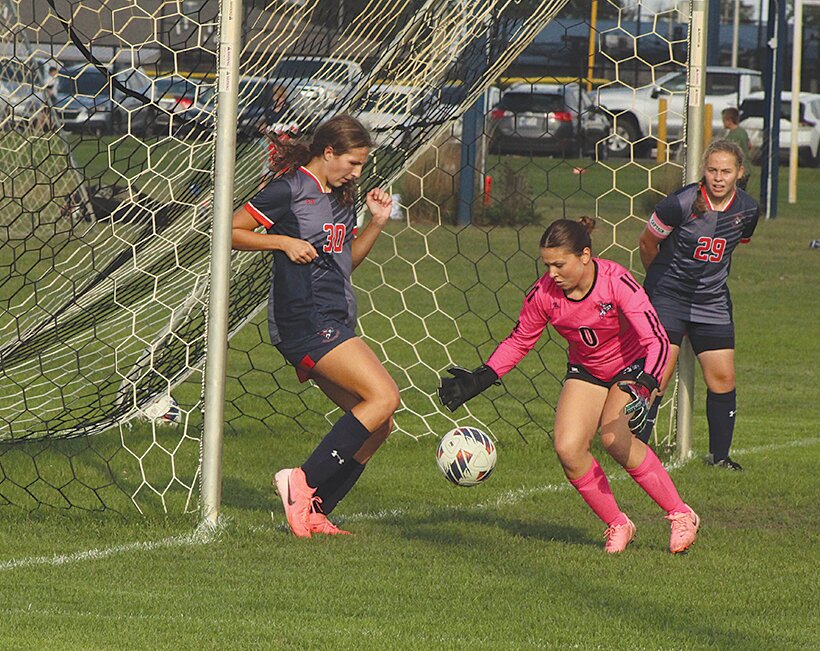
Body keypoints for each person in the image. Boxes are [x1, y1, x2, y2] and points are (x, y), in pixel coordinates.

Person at [439, 217, 700, 555]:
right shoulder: (544, 294)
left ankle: (681, 515)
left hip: (633, 365)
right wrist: (482, 377)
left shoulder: (616, 280)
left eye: (559, 264)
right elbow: (520, 341)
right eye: (547, 265)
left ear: (585, 255)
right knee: (568, 447)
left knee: (614, 439)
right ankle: (618, 523)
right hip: (587, 369)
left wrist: (646, 384)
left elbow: (657, 339)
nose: (552, 274)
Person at [232, 114, 400, 537]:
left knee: (379, 425)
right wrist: (282, 241)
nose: (357, 173)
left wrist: (376, 222)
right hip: (304, 319)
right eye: (353, 163)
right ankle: (300, 481)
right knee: (384, 396)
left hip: (335, 317)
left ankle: (314, 510)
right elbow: (229, 229)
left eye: (362, 166)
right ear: (328, 153)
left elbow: (345, 264)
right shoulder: (289, 190)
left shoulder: (342, 198)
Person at [637, 139, 760, 470]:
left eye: (726, 171)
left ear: (739, 173)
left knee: (723, 378)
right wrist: (661, 283)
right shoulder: (680, 202)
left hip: (712, 301)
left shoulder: (748, 209)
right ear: (703, 170)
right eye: (712, 170)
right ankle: (635, 453)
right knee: (657, 376)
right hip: (669, 298)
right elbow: (647, 243)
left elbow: (735, 245)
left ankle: (720, 458)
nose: (718, 177)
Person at [721, 107, 752, 190]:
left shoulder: (733, 136)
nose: (723, 123)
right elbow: (749, 145)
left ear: (729, 120)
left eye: (724, 120)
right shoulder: (742, 131)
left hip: (738, 170)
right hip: (746, 168)